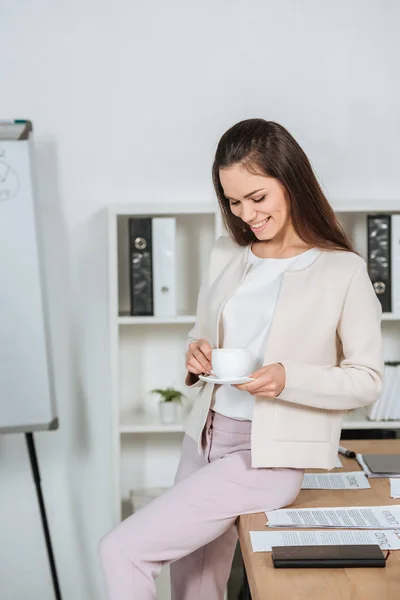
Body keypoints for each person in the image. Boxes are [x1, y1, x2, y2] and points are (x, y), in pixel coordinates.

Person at [99, 119, 383, 600]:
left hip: (267, 456)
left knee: (121, 549)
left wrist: (286, 379)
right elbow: (203, 333)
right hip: (205, 438)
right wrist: (196, 354)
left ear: (290, 182)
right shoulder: (226, 253)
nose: (246, 213)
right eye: (233, 201)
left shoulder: (343, 270)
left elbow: (366, 380)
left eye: (257, 197)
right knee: (193, 588)